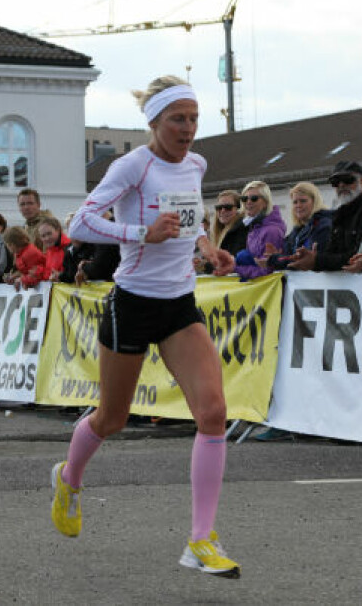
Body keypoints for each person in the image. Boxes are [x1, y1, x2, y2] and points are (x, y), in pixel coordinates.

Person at [56, 75, 240, 578]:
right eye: (177, 119)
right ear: (155, 122)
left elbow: (191, 217)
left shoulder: (197, 164)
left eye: (194, 118)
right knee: (111, 419)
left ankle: (200, 540)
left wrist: (207, 248)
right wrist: (140, 232)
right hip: (132, 303)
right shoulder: (133, 165)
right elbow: (79, 223)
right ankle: (70, 478)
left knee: (214, 412)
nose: (187, 128)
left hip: (179, 304)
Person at [287, 160, 362, 271]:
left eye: (347, 180)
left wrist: (317, 260)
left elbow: (360, 254)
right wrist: (312, 259)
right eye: (335, 182)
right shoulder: (339, 215)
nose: (341, 185)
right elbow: (331, 253)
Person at [265, 182, 332, 270]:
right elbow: (289, 257)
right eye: (295, 202)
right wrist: (276, 257)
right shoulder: (297, 231)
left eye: (303, 201)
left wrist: (275, 260)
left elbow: (303, 261)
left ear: (315, 202)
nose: (298, 205)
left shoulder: (324, 226)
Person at [226, 181, 285, 280]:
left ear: (265, 203)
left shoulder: (271, 231)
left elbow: (267, 272)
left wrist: (235, 268)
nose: (248, 202)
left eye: (254, 198)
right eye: (244, 199)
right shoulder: (254, 227)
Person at [37, 215, 71, 281]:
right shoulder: (50, 250)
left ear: (58, 230)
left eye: (49, 234)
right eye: (43, 236)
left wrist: (60, 277)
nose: (47, 238)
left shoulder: (69, 248)